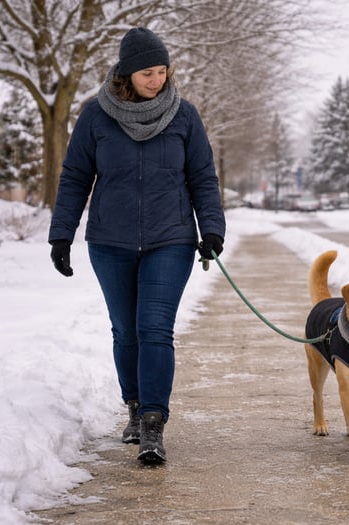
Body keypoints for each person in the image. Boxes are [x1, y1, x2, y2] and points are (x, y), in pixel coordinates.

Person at [48, 27, 226, 464]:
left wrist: (212, 230)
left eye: (163, 71)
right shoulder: (95, 117)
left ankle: (152, 422)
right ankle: (132, 406)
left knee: (154, 329)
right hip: (110, 241)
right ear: (127, 74)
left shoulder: (185, 116)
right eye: (148, 72)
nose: (157, 80)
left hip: (172, 240)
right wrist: (61, 234)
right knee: (125, 331)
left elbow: (202, 177)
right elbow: (75, 177)